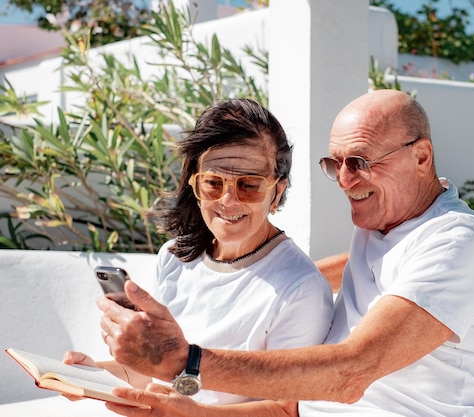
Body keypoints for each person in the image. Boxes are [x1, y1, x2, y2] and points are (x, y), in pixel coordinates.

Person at [100, 89, 474, 417]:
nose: (345, 180)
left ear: (420, 156)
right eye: (336, 164)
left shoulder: (457, 241)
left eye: (360, 162)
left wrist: (183, 361)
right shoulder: (393, 224)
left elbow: (350, 373)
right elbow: (376, 270)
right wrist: (266, 276)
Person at [63, 98, 334, 408]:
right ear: (194, 185)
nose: (228, 200)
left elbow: (287, 410)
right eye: (212, 183)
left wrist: (190, 412)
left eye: (248, 185)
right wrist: (92, 375)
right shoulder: (175, 257)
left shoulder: (301, 289)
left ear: (277, 192)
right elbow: (159, 373)